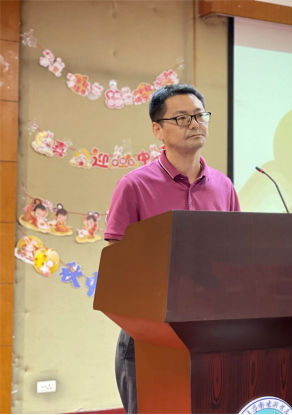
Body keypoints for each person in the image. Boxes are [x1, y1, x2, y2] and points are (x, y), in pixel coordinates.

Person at [104, 84, 240, 414]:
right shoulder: (134, 185)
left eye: (199, 115)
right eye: (181, 118)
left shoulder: (224, 186)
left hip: (211, 330)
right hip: (150, 333)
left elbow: (235, 255)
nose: (194, 124)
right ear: (158, 130)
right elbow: (119, 258)